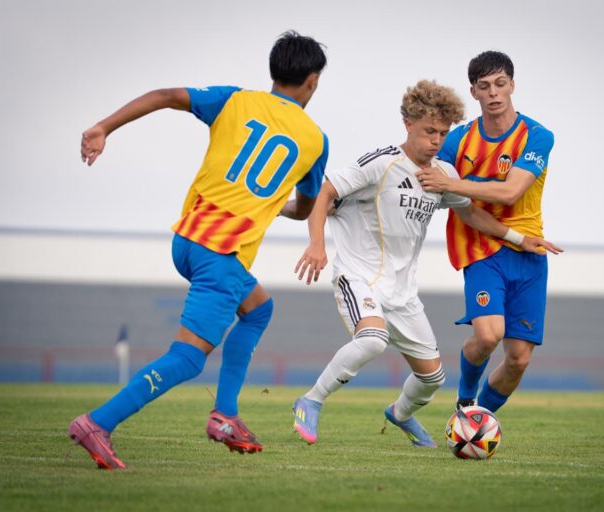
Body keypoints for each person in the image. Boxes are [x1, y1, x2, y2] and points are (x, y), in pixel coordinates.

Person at [69, 31, 328, 469]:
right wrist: (277, 206)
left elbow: (166, 95)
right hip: (222, 257)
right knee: (188, 359)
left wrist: (103, 127)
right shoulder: (314, 140)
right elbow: (305, 208)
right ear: (312, 81)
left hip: (187, 240)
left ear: (273, 71)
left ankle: (225, 415)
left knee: (259, 308)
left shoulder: (235, 100)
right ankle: (97, 422)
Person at [291, 80, 560, 447]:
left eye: (443, 133)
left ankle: (400, 413)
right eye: (429, 131)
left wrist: (517, 238)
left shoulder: (443, 175)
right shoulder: (382, 163)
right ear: (408, 124)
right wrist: (317, 245)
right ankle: (310, 401)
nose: (436, 140)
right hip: (358, 277)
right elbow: (324, 193)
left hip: (402, 292)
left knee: (432, 378)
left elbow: (472, 215)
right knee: (372, 340)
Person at [416, 51, 560, 414]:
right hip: (480, 247)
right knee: (488, 335)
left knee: (518, 359)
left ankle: (481, 418)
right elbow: (422, 174)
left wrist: (454, 183)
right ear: (474, 92)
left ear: (512, 85)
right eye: (484, 87)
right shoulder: (457, 142)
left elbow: (511, 191)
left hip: (529, 250)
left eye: (500, 84)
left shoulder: (537, 136)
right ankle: (465, 404)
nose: (494, 93)